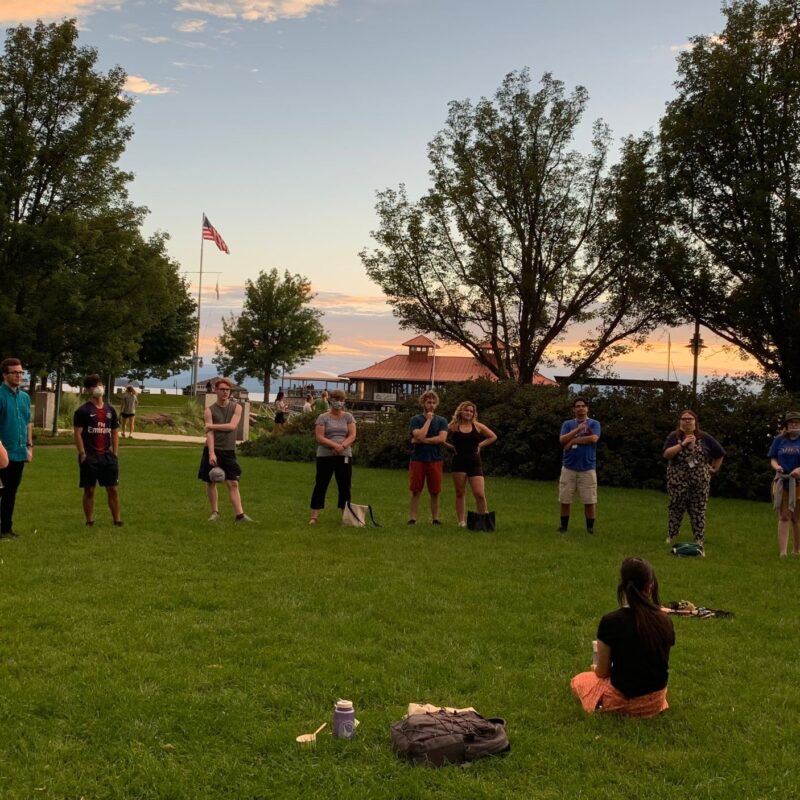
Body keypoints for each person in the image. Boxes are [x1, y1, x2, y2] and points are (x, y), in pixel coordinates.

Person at [571, 557, 675, 718]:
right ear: (650, 586)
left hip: (624, 699)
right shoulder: (664, 620)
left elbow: (603, 672)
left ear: (623, 586)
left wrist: (595, 669)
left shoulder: (611, 621)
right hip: (656, 700)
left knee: (579, 681)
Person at [663, 410, 724, 547]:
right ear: (680, 422)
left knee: (698, 510)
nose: (687, 421)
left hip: (699, 482)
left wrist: (714, 468)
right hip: (677, 481)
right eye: (684, 419)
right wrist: (683, 444)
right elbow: (667, 454)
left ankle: (698, 539)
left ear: (695, 422)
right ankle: (672, 536)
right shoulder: (673, 437)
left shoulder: (705, 437)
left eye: (690, 419)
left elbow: (719, 453)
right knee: (675, 508)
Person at [198, 377, 252, 523]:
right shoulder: (209, 411)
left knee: (233, 483)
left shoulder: (237, 407)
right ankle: (215, 512)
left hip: (228, 451)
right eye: (222, 389)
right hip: (213, 449)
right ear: (216, 391)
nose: (225, 392)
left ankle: (240, 515)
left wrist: (211, 426)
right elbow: (209, 434)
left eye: (227, 390)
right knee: (211, 481)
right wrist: (211, 453)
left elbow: (232, 426)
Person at [73, 375, 122, 527]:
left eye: (100, 384)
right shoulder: (83, 411)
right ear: (88, 390)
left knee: (112, 489)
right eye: (94, 386)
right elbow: (77, 433)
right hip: (90, 456)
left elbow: (114, 432)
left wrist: (115, 452)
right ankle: (89, 520)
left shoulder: (110, 410)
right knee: (89, 490)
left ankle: (117, 519)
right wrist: (82, 453)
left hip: (107, 456)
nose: (98, 387)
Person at [308, 389, 356, 524]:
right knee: (321, 484)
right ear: (330, 400)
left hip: (344, 455)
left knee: (344, 485)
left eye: (341, 400)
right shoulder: (323, 417)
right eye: (335, 399)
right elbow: (319, 436)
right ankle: (314, 516)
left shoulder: (348, 417)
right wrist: (334, 446)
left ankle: (345, 515)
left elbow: (352, 435)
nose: (338, 402)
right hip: (325, 455)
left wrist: (342, 446)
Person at [446, 401, 497, 527]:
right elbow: (441, 438)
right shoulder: (452, 426)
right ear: (461, 411)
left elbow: (492, 436)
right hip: (459, 463)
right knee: (460, 492)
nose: (468, 413)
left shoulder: (477, 426)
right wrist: (451, 447)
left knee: (479, 493)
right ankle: (461, 521)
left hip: (474, 462)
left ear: (473, 413)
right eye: (466, 410)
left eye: (471, 411)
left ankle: (483, 519)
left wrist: (480, 445)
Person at [0, 358, 33, 539]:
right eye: (15, 372)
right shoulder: (0, 395)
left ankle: (6, 528)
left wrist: (29, 446)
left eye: (21, 372)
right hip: (1, 454)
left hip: (19, 453)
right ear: (5, 375)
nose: (19, 375)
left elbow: (27, 423)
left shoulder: (24, 397)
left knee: (10, 492)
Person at [558, 397, 601, 534]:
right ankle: (563, 527)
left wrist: (574, 441)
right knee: (565, 499)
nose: (580, 408)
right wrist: (576, 430)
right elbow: (562, 439)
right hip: (569, 467)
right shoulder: (568, 424)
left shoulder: (594, 423)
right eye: (577, 406)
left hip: (587, 468)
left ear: (587, 408)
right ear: (574, 409)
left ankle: (590, 529)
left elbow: (593, 438)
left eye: (583, 406)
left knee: (589, 500)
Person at [409, 390, 449, 526]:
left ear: (436, 404)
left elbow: (442, 438)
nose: (431, 405)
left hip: (435, 459)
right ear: (423, 404)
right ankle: (413, 518)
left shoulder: (442, 420)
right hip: (418, 459)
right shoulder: (416, 419)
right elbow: (418, 434)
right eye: (428, 402)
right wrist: (428, 420)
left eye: (433, 402)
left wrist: (420, 440)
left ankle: (435, 518)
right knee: (416, 490)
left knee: (435, 491)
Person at [768, 411, 800, 558]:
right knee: (784, 516)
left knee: (797, 518)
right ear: (786, 425)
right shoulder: (779, 440)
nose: (794, 424)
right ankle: (783, 553)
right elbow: (773, 458)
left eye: (797, 422)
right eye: (791, 422)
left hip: (798, 483)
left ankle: (797, 550)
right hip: (782, 481)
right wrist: (777, 467)